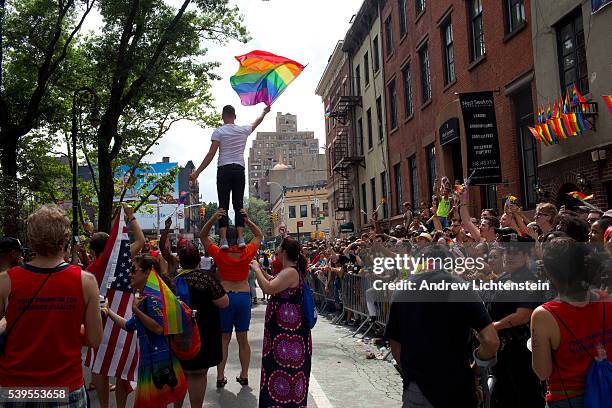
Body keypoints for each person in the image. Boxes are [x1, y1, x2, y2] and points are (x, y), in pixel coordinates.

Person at [0, 205, 103, 406]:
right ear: (65, 238)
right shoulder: (86, 281)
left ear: (31, 239)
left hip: (16, 388)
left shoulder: (5, 281)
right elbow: (94, 339)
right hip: (65, 388)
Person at [385, 244, 500, 408]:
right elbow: (491, 341)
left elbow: (395, 346)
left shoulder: (401, 290)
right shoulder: (461, 287)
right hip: (456, 387)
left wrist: (412, 374)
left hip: (417, 389)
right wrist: (475, 369)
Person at [531, 238, 611, 408]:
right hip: (607, 392)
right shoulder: (607, 301)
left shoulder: (544, 315)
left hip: (566, 399)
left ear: (548, 273)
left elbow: (542, 371)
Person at [104, 255, 188, 407]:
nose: (130, 274)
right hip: (150, 359)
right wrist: (108, 311)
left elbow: (158, 328)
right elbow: (129, 326)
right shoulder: (144, 297)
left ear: (147, 272)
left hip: (158, 360)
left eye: (133, 270)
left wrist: (136, 310)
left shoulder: (152, 298)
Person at [88, 203, 146, 408]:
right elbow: (141, 240)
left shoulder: (89, 271)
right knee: (123, 367)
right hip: (123, 319)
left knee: (99, 365)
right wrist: (130, 216)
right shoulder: (122, 260)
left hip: (99, 320)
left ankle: (104, 406)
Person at [190, 105, 270, 249]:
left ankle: (223, 240)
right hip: (239, 169)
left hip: (224, 169)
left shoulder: (219, 132)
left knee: (223, 205)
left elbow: (211, 154)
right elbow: (257, 122)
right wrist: (264, 112)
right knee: (239, 204)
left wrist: (197, 172)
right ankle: (240, 239)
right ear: (235, 116)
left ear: (223, 116)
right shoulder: (243, 130)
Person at [200, 208, 263, 387]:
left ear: (225, 237)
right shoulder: (247, 252)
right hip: (243, 296)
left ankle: (220, 376)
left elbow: (203, 236)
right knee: (243, 339)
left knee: (224, 339)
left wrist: (213, 218)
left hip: (225, 297)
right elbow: (259, 236)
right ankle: (244, 375)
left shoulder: (220, 253)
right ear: (240, 237)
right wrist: (247, 221)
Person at [484, 234, 545, 408]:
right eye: (506, 252)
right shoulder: (503, 277)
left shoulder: (528, 280)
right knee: (502, 395)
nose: (509, 256)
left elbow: (523, 315)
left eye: (515, 253)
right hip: (499, 349)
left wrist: (492, 327)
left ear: (526, 256)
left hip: (518, 349)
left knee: (524, 396)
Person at [251, 238, 312, 408]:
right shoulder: (289, 271)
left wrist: (256, 269)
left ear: (284, 252)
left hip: (288, 334)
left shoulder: (290, 272)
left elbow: (269, 288)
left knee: (285, 370)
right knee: (279, 368)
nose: (276, 250)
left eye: (279, 247)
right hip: (283, 331)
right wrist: (262, 270)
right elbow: (273, 281)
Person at [173, 242, 229, 408]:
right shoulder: (206, 279)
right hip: (203, 334)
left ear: (180, 261)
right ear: (198, 260)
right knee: (198, 374)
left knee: (181, 373)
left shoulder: (174, 281)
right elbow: (224, 303)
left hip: (179, 335)